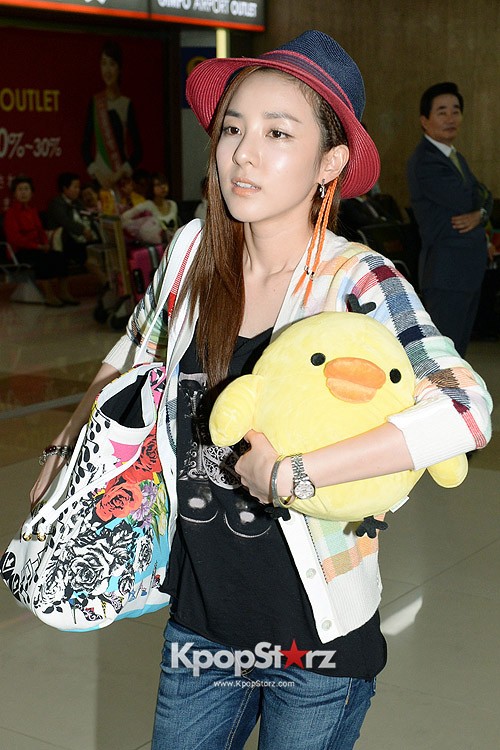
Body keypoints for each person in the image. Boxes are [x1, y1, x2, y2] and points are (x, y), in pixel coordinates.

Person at [31, 31, 492, 749]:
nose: (243, 153)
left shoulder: (357, 279)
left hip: (317, 641)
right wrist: (69, 445)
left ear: (329, 162)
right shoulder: (193, 251)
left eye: (278, 133)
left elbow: (466, 410)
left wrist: (295, 475)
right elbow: (135, 348)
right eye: (233, 129)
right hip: (200, 621)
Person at [407, 81, 493, 356]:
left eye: (455, 111)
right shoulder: (426, 160)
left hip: (466, 269)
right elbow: (469, 198)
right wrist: (481, 206)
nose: (450, 118)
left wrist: (481, 213)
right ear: (424, 120)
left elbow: (486, 196)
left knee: (458, 351)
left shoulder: (455, 157)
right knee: (442, 355)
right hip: (446, 272)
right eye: (441, 111)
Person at [82, 39, 142, 190]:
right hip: (100, 180)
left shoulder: (126, 104)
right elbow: (85, 146)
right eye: (103, 63)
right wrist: (98, 174)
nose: (107, 70)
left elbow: (138, 151)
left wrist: (119, 174)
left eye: (112, 64)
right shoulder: (96, 103)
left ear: (119, 68)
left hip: (122, 180)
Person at [3, 175, 70, 306]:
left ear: (32, 193)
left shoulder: (32, 211)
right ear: (14, 194)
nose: (23, 192)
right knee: (42, 258)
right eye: (20, 189)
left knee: (60, 256)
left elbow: (40, 231)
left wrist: (45, 244)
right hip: (20, 251)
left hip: (38, 247)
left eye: (26, 189)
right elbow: (15, 239)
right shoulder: (11, 213)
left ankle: (64, 293)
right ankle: (49, 295)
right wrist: (37, 246)